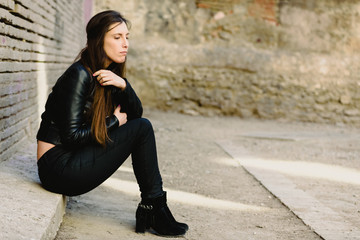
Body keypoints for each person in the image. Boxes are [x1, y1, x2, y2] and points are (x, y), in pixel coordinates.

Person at [36, 10, 188, 237]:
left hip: (73, 158)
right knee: (143, 128)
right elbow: (71, 136)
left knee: (142, 126)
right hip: (57, 168)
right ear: (99, 40)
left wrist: (124, 86)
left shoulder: (108, 76)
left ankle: (153, 205)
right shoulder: (79, 74)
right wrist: (115, 121)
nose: (125, 44)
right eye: (117, 38)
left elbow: (135, 116)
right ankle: (154, 208)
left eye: (127, 37)